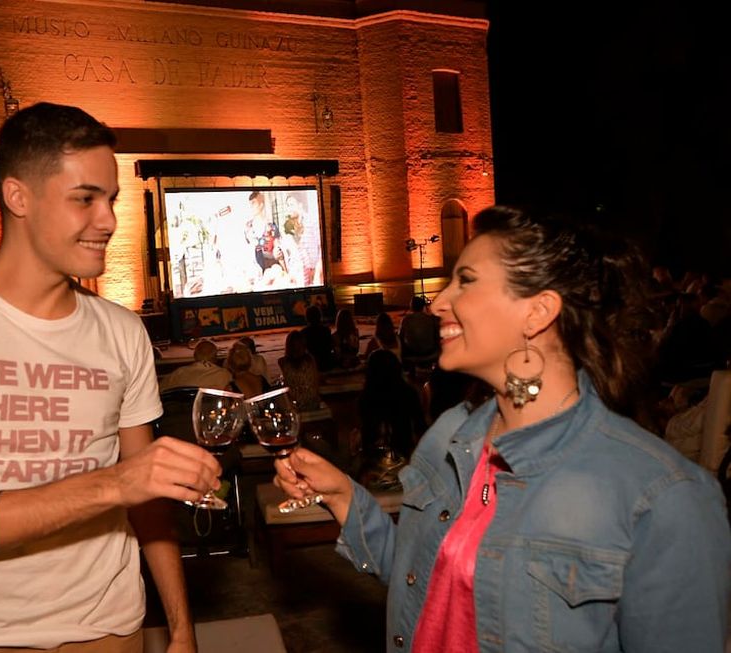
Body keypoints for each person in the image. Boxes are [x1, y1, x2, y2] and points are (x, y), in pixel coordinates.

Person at [274, 205, 731, 651]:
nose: (438, 303)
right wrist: (344, 497)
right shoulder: (450, 435)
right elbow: (430, 580)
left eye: (466, 281)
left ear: (537, 313)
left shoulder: (663, 497)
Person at [0, 103, 220, 652]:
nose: (108, 221)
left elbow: (145, 501)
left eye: (112, 201)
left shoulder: (122, 333)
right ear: (18, 197)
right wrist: (115, 483)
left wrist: (180, 627)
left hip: (110, 627)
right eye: (85, 199)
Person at [159, 339, 232, 392]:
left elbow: (160, 389)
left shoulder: (179, 373)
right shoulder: (224, 375)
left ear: (195, 355)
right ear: (215, 357)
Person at [278, 330, 321, 411]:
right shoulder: (310, 359)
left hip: (295, 402)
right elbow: (316, 380)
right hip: (312, 401)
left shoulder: (282, 362)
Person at [399, 295, 440, 369]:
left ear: (411, 307)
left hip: (412, 353)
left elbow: (400, 337)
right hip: (430, 353)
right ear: (423, 307)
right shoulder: (431, 319)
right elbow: (437, 337)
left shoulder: (405, 320)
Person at [301, 304, 336, 371]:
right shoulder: (326, 330)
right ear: (319, 316)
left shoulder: (303, 332)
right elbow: (330, 346)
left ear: (307, 317)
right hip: (327, 363)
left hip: (311, 365)